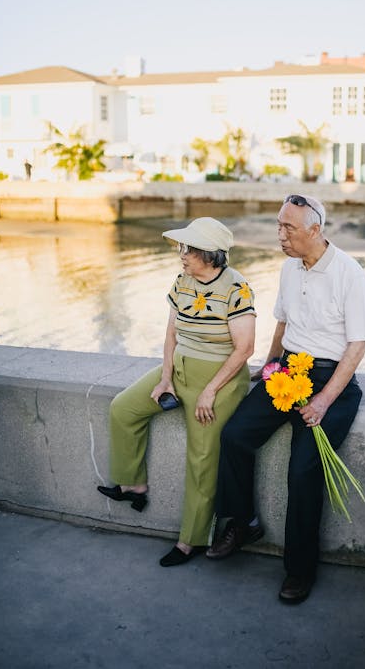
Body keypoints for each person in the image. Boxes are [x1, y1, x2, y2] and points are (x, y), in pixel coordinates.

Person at [206, 195, 365, 604]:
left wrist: (322, 402)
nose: (280, 235)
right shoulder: (288, 268)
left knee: (302, 470)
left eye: (289, 228)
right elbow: (283, 323)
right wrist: (267, 368)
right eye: (279, 225)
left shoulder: (349, 274)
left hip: (333, 379)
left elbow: (357, 347)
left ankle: (300, 570)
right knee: (233, 436)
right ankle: (244, 522)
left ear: (315, 231)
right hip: (287, 371)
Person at [98, 217, 256, 567]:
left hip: (220, 379)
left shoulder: (237, 288)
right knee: (123, 408)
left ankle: (192, 541)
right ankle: (133, 485)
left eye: (189, 249)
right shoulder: (183, 281)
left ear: (211, 254)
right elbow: (171, 334)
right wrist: (165, 377)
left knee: (202, 460)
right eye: (182, 247)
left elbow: (244, 349)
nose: (181, 255)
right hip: (179, 367)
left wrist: (209, 391)